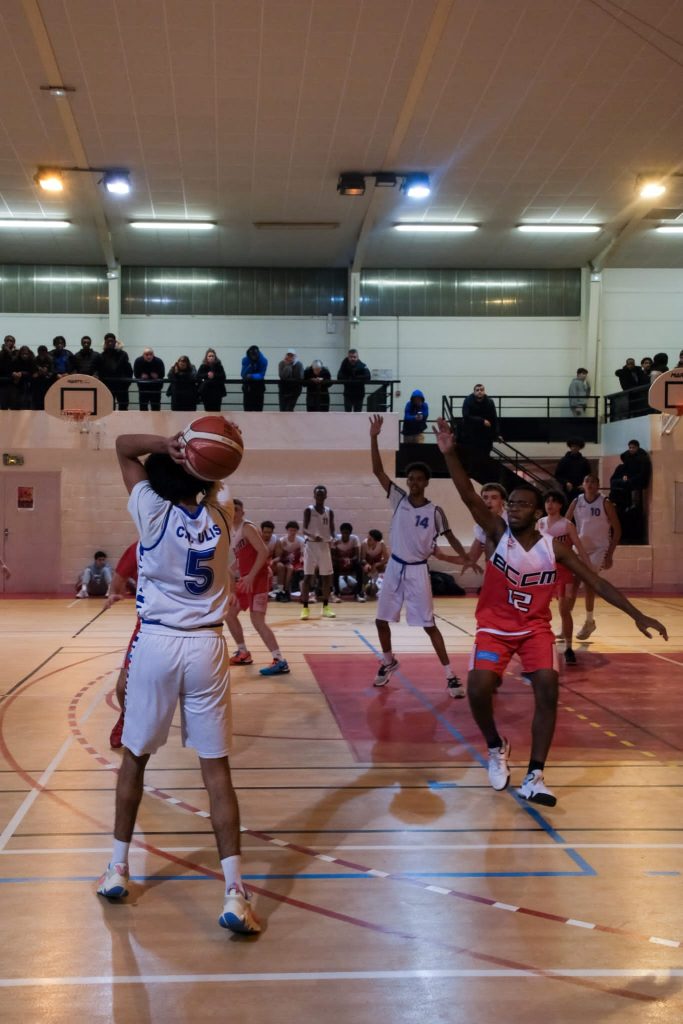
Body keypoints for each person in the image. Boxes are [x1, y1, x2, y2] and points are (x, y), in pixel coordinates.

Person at [433, 416, 667, 805]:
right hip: (494, 628)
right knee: (477, 689)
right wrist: (449, 453)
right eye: (511, 503)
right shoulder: (497, 534)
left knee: (548, 690)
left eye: (522, 504)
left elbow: (597, 583)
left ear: (537, 511)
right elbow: (467, 495)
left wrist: (636, 614)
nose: (513, 508)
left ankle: (535, 775)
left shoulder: (552, 548)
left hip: (535, 631)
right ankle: (496, 746)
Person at [97, 430, 260, 934]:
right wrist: (200, 446)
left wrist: (169, 442)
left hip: (157, 643)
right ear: (207, 479)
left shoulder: (150, 510)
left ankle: (117, 868)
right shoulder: (224, 514)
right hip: (207, 645)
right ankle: (235, 893)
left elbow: (123, 445)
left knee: (134, 758)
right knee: (217, 771)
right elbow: (220, 470)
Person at [369, 414, 472, 696]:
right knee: (381, 620)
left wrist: (466, 558)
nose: (413, 482)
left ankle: (450, 675)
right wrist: (374, 437)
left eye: (418, 479)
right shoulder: (398, 499)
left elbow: (451, 536)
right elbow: (378, 471)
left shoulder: (435, 511)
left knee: (429, 625)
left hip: (417, 570)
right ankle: (388, 661)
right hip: (395, 567)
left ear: (426, 482)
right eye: (411, 478)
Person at [225, 498, 289, 676]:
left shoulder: (247, 527)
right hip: (246, 579)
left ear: (242, 512)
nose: (234, 512)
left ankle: (280, 660)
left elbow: (264, 551)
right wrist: (231, 571)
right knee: (229, 614)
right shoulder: (232, 531)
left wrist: (251, 576)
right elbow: (242, 558)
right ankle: (243, 653)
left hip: (257, 578)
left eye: (237, 509)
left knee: (257, 620)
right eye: (231, 509)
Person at [537, 490, 591, 666]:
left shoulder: (567, 525)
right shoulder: (539, 523)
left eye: (554, 501)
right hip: (544, 571)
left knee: (564, 610)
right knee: (537, 610)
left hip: (563, 571)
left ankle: (568, 648)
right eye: (547, 501)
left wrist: (589, 568)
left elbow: (580, 548)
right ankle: (538, 646)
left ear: (560, 505)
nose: (550, 505)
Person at [567, 474, 621, 640]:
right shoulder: (576, 501)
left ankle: (589, 621)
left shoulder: (605, 503)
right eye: (587, 481)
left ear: (598, 485)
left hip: (598, 549)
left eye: (593, 482)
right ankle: (566, 621)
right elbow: (564, 524)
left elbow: (617, 530)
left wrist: (610, 554)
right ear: (582, 484)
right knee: (572, 584)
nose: (590, 484)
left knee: (589, 582)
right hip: (580, 548)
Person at [105, 542, 140, 749]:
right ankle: (125, 717)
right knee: (122, 686)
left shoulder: (193, 540)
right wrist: (114, 592)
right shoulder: (139, 547)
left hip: (188, 630)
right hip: (147, 628)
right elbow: (118, 581)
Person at [300, 485, 337, 619]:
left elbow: (332, 529)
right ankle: (305, 608)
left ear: (325, 496)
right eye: (318, 494)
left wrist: (334, 538)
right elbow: (304, 529)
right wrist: (313, 535)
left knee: (326, 577)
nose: (320, 496)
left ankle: (326, 607)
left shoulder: (329, 511)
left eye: (322, 494)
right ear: (314, 496)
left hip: (324, 545)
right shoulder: (309, 510)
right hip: (311, 545)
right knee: (307, 576)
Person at [609, 439, 652, 512]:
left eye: (633, 448)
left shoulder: (642, 458)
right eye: (630, 448)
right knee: (615, 481)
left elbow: (642, 473)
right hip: (630, 478)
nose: (631, 449)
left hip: (638, 480)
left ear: (637, 448)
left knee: (624, 485)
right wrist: (625, 475)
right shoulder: (628, 456)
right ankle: (615, 502)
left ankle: (627, 506)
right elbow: (626, 467)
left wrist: (630, 479)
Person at [94, 333, 133, 410]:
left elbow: (129, 370)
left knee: (123, 407)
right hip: (107, 386)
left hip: (121, 386)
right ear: (105, 343)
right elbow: (99, 370)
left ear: (115, 342)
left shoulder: (123, 354)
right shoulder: (101, 356)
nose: (110, 343)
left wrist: (126, 383)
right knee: (108, 408)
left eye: (112, 341)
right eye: (108, 341)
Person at [460, 384, 499, 455]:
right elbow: (466, 416)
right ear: (474, 392)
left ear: (484, 391)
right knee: (473, 453)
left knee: (486, 453)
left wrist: (497, 434)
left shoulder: (490, 402)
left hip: (485, 433)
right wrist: (482, 421)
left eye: (481, 390)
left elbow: (494, 418)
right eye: (477, 390)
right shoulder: (468, 400)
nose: (479, 391)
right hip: (472, 432)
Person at [332, 522, 364, 601]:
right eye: (343, 533)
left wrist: (349, 560)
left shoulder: (354, 539)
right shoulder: (336, 539)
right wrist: (341, 560)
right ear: (341, 532)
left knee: (359, 566)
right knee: (333, 566)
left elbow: (357, 556)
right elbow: (332, 556)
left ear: (350, 533)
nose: (345, 535)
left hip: (351, 562)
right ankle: (336, 592)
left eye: (347, 533)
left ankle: (359, 592)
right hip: (339, 563)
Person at [274, 521, 304, 601]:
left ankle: (286, 590)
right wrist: (284, 552)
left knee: (291, 568)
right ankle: (280, 590)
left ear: (297, 531)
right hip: (283, 560)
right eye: (291, 530)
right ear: (287, 530)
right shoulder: (282, 540)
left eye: (294, 530)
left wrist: (301, 563)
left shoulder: (301, 541)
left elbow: (302, 555)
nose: (292, 532)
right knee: (281, 566)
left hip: (295, 562)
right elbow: (279, 555)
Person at [360, 529, 389, 597]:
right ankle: (363, 588)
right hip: (368, 563)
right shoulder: (364, 543)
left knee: (388, 568)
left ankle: (384, 589)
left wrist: (377, 564)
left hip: (377, 563)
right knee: (364, 568)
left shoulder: (381, 544)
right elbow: (362, 559)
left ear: (376, 541)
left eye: (370, 539)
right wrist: (367, 564)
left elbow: (386, 559)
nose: (368, 540)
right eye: (368, 537)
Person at [241, 345, 267, 411]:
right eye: (252, 355)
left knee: (258, 409)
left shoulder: (263, 361)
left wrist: (252, 376)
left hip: (259, 387)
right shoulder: (245, 360)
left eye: (255, 355)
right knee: (247, 409)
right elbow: (243, 374)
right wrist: (250, 366)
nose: (253, 357)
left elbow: (262, 375)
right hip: (248, 387)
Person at [31, 346, 55, 410]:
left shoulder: (51, 360)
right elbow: (33, 374)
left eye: (43, 352)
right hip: (37, 384)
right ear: (38, 352)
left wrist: (46, 373)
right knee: (38, 402)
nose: (42, 353)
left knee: (47, 401)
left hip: (48, 384)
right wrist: (40, 372)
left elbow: (52, 372)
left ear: (46, 352)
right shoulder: (35, 360)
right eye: (40, 352)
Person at [0, 334, 18, 410]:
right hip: (2, 383)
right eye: (7, 340)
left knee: (14, 407)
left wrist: (9, 351)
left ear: (14, 343)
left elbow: (15, 362)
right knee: (3, 407)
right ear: (4, 342)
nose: (9, 342)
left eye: (11, 341)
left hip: (14, 383)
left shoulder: (17, 353)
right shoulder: (1, 353)